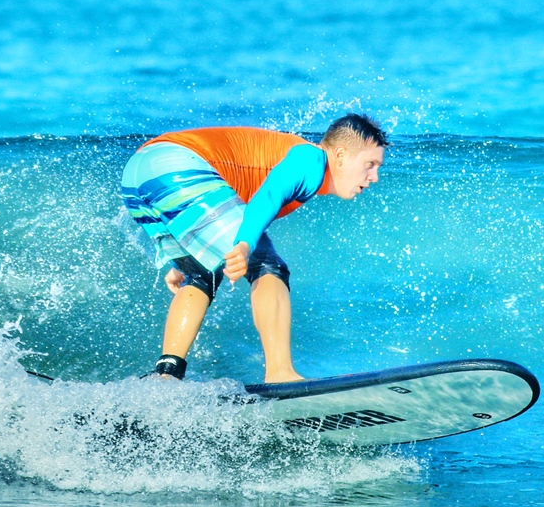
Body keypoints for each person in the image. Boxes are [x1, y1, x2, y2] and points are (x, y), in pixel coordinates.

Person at [120, 113, 387, 383]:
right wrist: (246, 244)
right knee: (267, 264)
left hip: (139, 173)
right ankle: (281, 374)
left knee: (202, 273)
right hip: (177, 163)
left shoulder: (296, 165)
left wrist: (185, 260)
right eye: (370, 164)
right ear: (340, 155)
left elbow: (223, 209)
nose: (374, 176)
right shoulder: (311, 159)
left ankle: (166, 377)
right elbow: (268, 194)